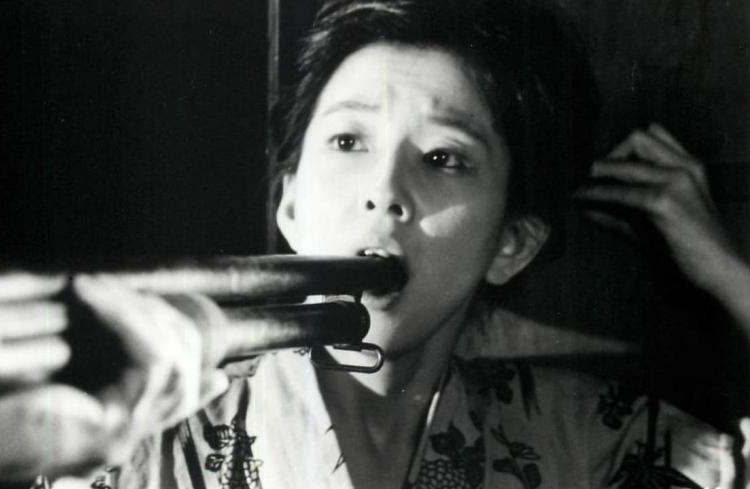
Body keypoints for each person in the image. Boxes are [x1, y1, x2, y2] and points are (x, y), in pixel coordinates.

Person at [75, 0, 746, 488]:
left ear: (512, 243)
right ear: (291, 204)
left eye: (444, 158)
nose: (384, 189)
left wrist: (730, 273)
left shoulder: (581, 442)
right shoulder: (132, 442)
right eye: (348, 141)